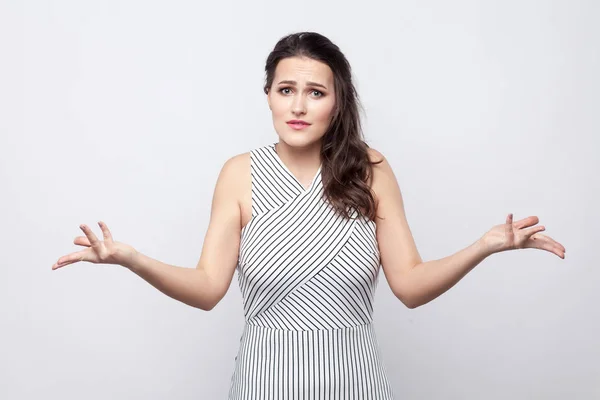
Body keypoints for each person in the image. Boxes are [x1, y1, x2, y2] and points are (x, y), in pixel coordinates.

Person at [51, 32, 566, 399]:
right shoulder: (239, 174)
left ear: (337, 103)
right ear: (269, 96)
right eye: (286, 90)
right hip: (263, 383)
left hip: (355, 383)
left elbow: (410, 285)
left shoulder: (371, 169)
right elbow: (208, 288)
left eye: (315, 92)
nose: (298, 106)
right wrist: (130, 258)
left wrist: (484, 246)